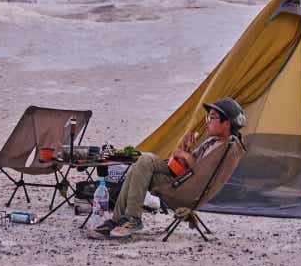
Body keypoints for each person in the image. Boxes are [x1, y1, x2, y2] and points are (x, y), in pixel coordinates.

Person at [90, 96, 246, 239]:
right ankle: (120, 220)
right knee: (140, 163)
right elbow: (187, 167)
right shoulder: (212, 142)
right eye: (208, 117)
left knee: (144, 161)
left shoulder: (226, 148)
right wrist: (185, 149)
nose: (207, 121)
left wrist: (185, 156)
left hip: (186, 192)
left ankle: (132, 219)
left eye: (212, 118)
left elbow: (199, 176)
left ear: (227, 124)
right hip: (183, 181)